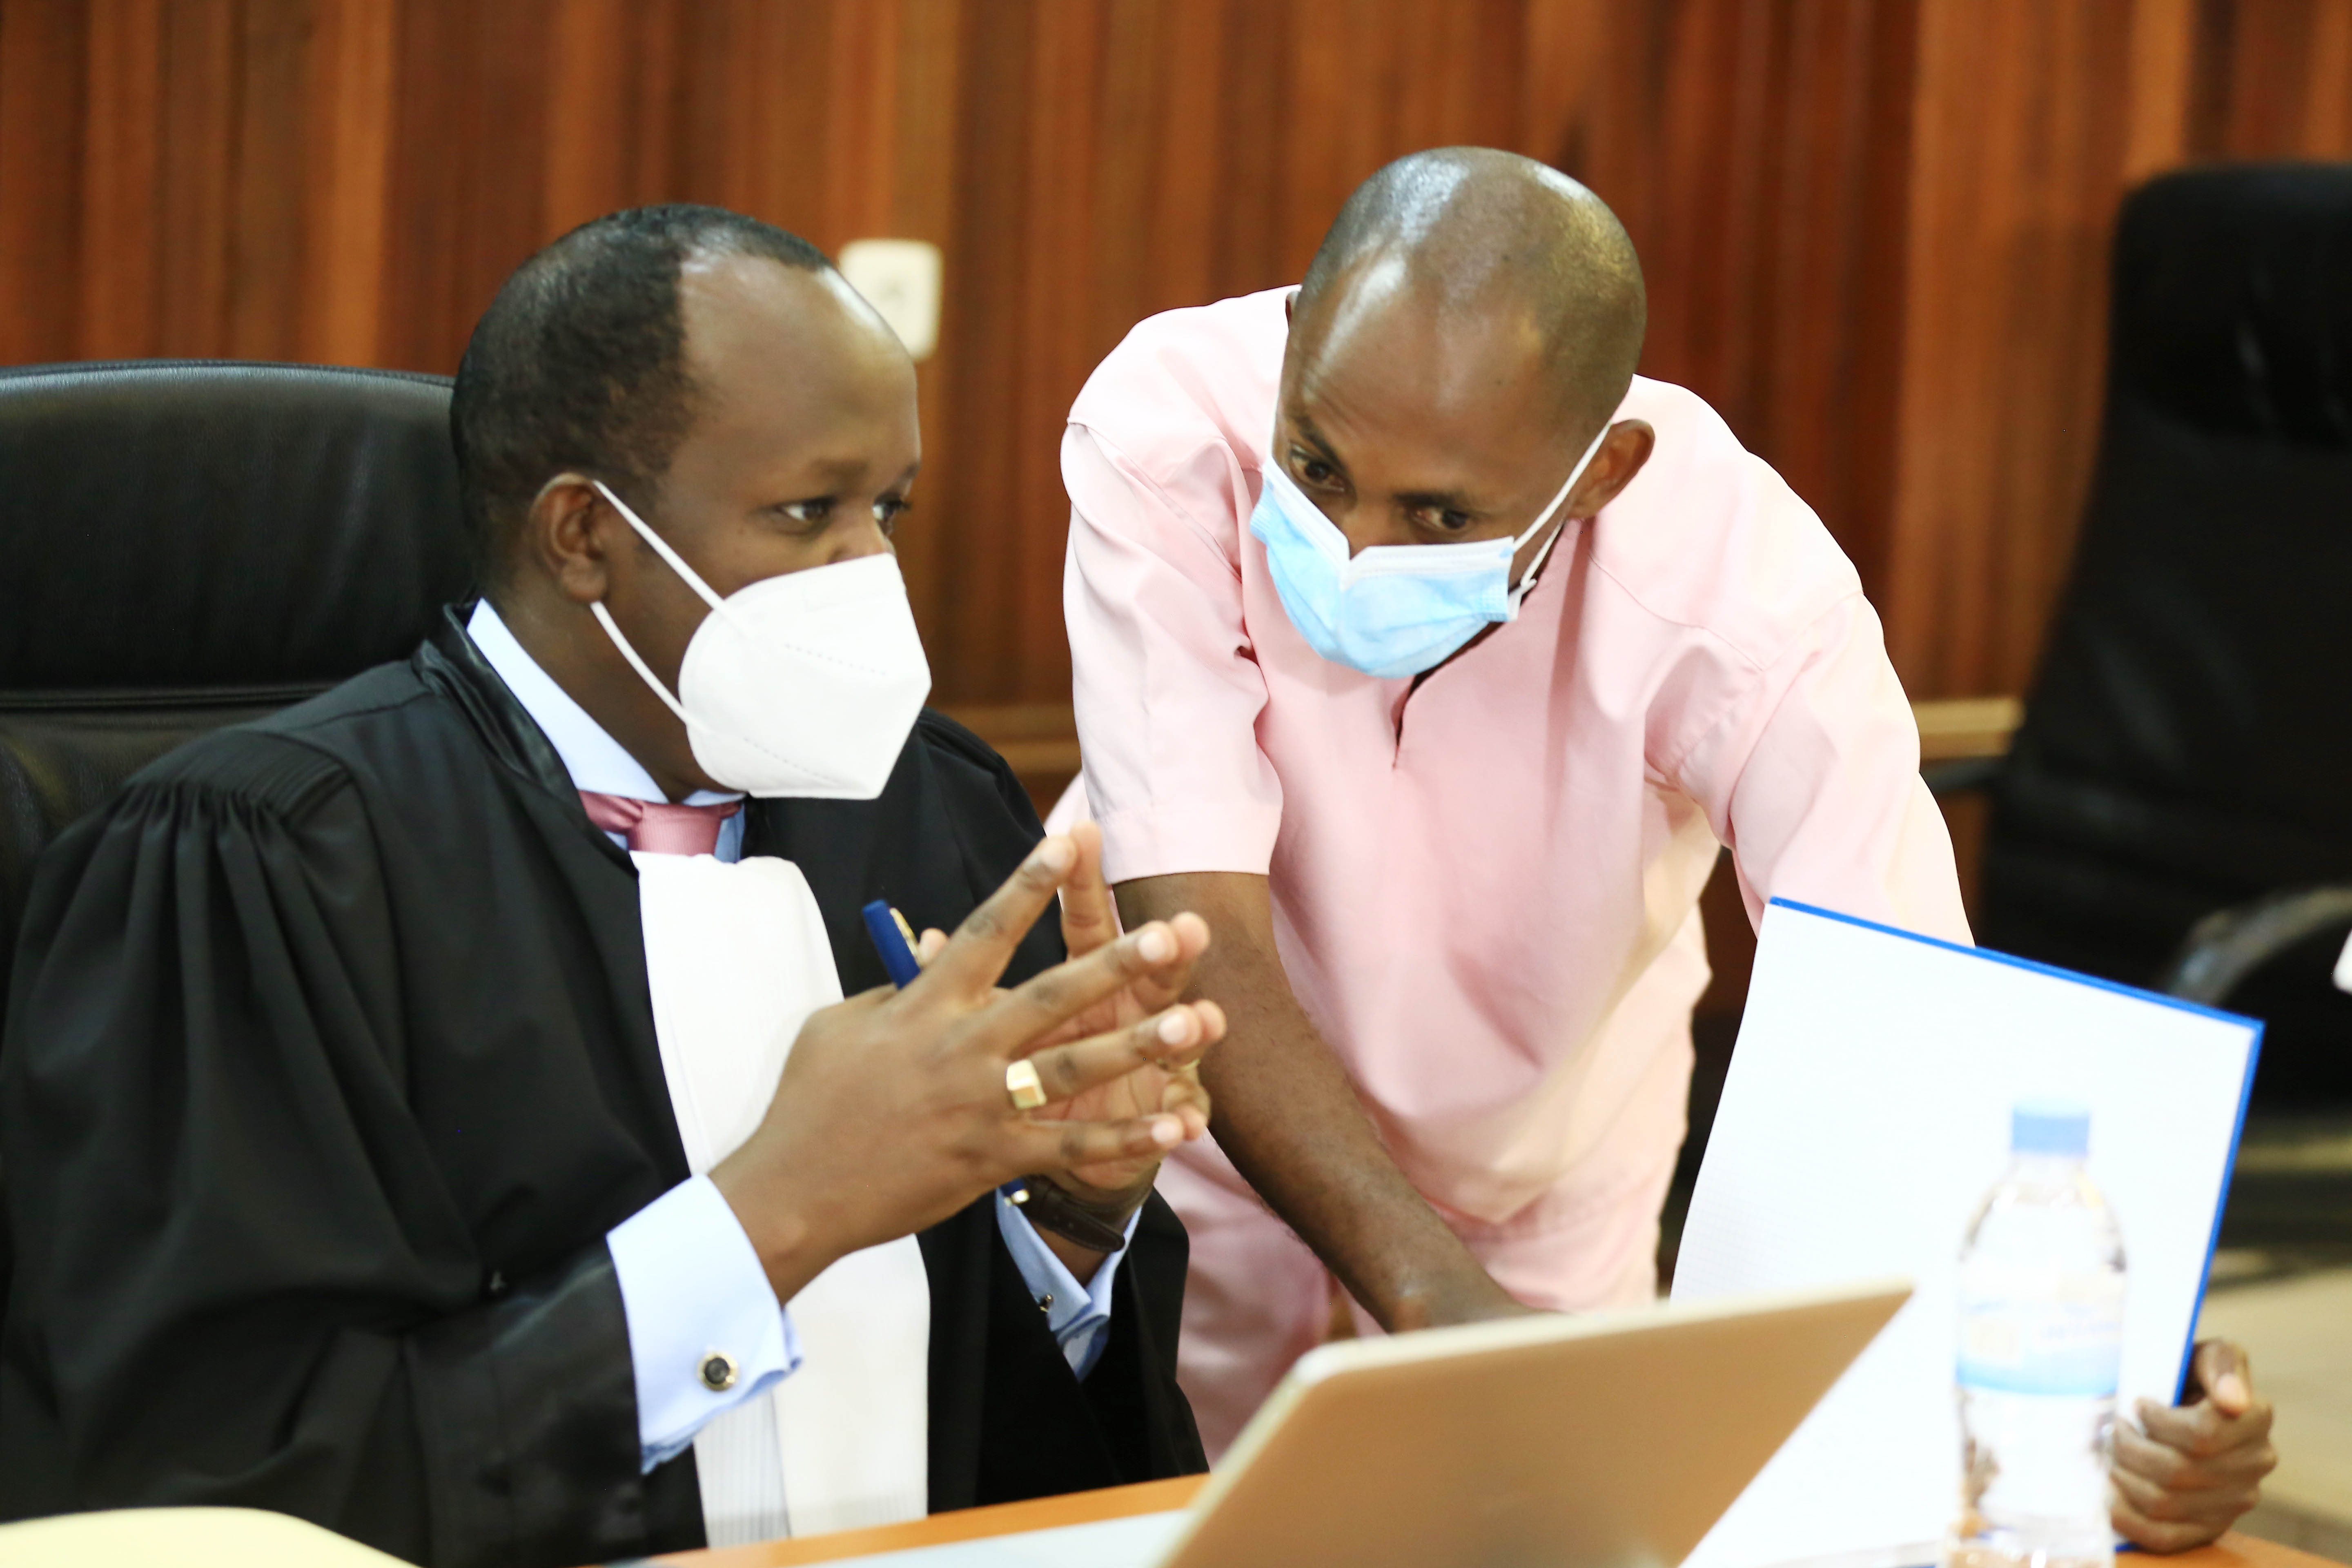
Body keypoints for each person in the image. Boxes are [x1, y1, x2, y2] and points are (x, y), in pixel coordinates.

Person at [1054, 148, 2276, 1546]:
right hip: (1195, 1127)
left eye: (1439, 518)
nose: (1346, 548)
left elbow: (1909, 1017)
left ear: (1600, 474)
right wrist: (1428, 1294)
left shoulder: (1750, 594)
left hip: (1549, 1169)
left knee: (1559, 1533)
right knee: (1189, 1529)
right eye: (1318, 468)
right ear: (1290, 343)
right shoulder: (1167, 423)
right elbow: (1187, 928)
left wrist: (2133, 1387)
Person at [0, 205, 1223, 1568]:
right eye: (809, 513)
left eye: (890, 510)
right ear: (582, 535)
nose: (873, 576)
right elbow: (214, 1492)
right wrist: (778, 1212)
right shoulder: (257, 862)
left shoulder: (930, 803)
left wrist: (1078, 1211)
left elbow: (1016, 1440)